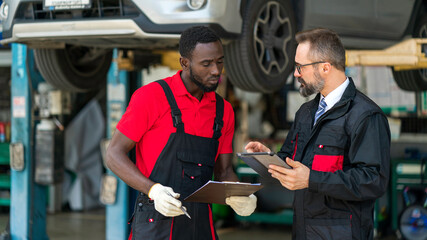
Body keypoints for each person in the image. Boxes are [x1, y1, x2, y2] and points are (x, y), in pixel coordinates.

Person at [106, 26, 257, 240]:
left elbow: (224, 172)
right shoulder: (150, 97)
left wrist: (239, 194)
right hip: (155, 223)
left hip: (201, 226)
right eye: (206, 64)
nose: (216, 70)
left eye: (219, 61)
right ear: (185, 63)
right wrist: (154, 191)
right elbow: (113, 154)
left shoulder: (224, 112)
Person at [246, 28, 390, 240]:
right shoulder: (306, 113)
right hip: (303, 230)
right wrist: (267, 156)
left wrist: (311, 179)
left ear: (325, 67)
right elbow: (291, 161)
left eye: (300, 67)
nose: (296, 74)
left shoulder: (365, 116)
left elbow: (372, 180)